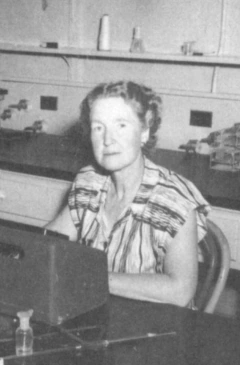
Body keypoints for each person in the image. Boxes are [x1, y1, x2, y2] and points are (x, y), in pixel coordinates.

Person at [46, 80, 210, 307]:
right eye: (98, 127)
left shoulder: (174, 199)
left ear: (144, 131)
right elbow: (49, 244)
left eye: (121, 125)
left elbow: (180, 290)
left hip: (158, 326)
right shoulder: (89, 182)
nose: (107, 139)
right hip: (100, 309)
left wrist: (93, 277)